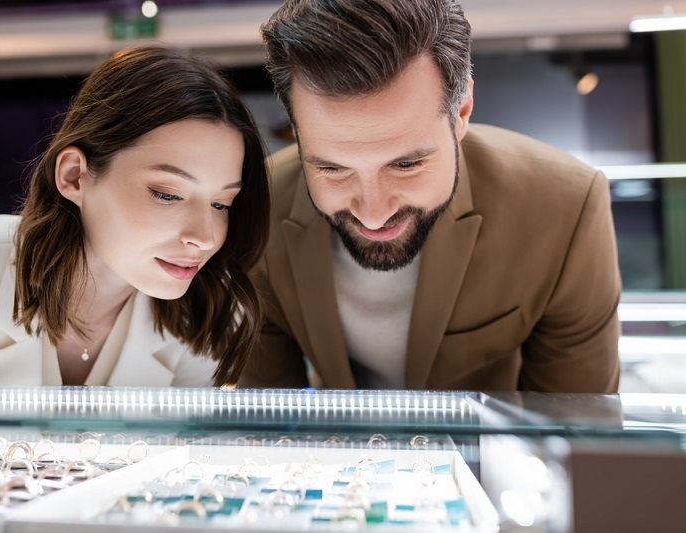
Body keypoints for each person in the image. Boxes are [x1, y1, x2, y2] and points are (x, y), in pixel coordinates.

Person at [239, 0, 621, 392]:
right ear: (297, 133)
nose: (373, 214)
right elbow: (266, 427)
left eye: (406, 165)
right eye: (332, 168)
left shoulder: (565, 206)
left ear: (463, 111)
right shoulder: (257, 207)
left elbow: (578, 426)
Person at [0, 45, 270, 387]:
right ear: (74, 176)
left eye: (222, 204)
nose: (204, 237)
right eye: (168, 194)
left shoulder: (212, 315)